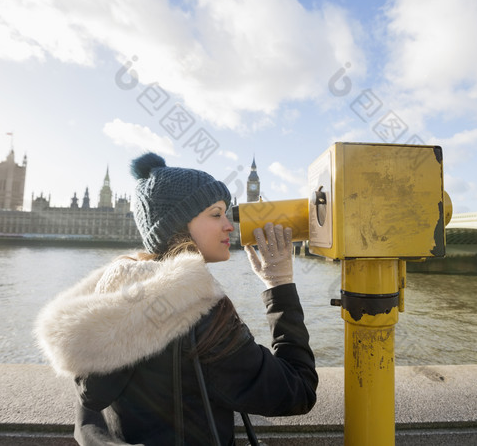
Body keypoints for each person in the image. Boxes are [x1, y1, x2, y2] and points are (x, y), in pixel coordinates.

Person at [34, 152, 318, 445]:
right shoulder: (197, 315)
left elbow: (93, 403)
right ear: (179, 224)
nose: (229, 226)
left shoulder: (108, 297)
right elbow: (298, 391)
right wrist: (280, 284)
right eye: (216, 213)